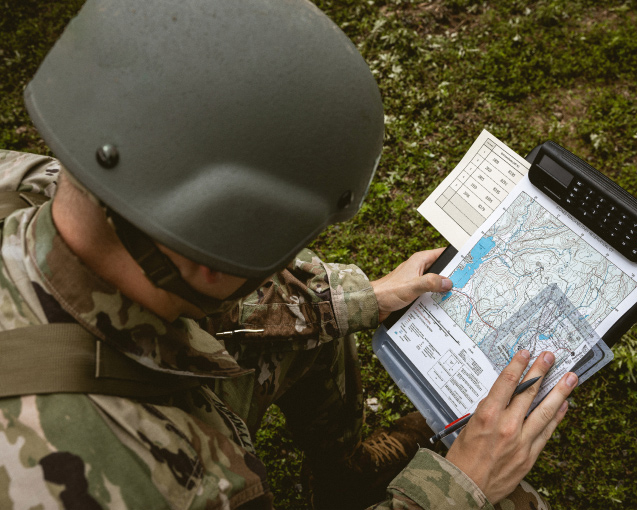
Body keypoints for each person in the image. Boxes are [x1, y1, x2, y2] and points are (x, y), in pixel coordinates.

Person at [0, 0, 576, 508]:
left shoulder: (33, 181)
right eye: (281, 250)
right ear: (209, 256)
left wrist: (359, 298)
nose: (289, 263)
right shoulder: (172, 483)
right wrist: (461, 485)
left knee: (316, 328)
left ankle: (341, 477)